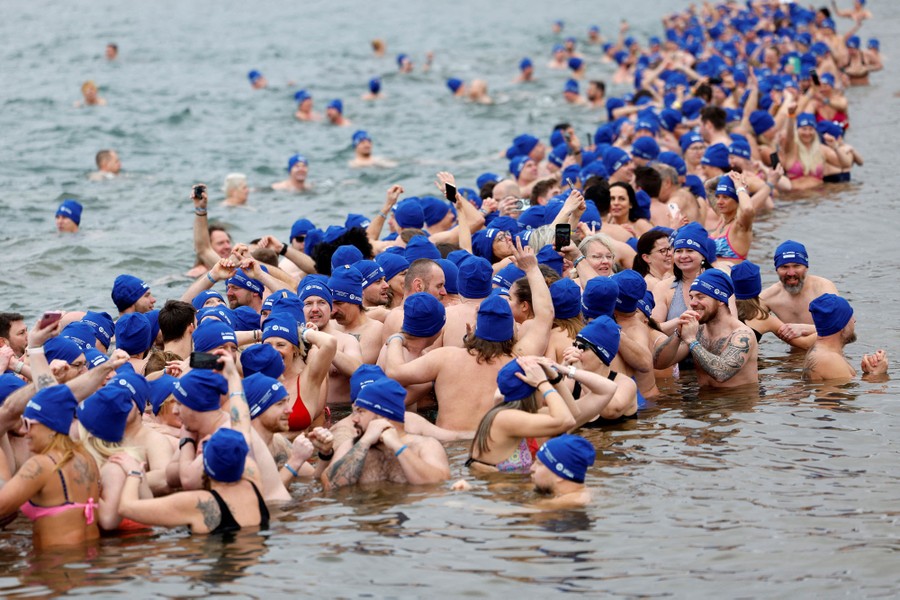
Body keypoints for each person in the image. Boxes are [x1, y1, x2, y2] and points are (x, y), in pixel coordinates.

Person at [384, 241, 553, 431]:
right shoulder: (519, 361)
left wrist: (395, 340)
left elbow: (394, 372)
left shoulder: (446, 358)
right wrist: (531, 269)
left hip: (451, 448)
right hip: (493, 445)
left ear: (473, 327)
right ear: (513, 329)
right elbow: (545, 316)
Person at [114, 426, 270, 534]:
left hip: (211, 574)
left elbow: (126, 507)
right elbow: (242, 425)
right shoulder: (254, 483)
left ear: (204, 463)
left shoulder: (197, 502)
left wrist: (134, 473)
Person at [323, 377, 450, 488]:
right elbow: (330, 485)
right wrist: (365, 441)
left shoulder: (425, 445)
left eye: (361, 412)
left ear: (383, 416)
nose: (354, 419)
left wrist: (397, 446)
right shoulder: (351, 446)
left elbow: (438, 485)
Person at [466, 357, 578, 474]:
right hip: (507, 489)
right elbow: (567, 421)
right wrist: (543, 383)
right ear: (534, 390)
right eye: (540, 388)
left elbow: (572, 413)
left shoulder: (518, 413)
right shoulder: (506, 418)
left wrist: (555, 378)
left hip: (513, 487)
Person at [653, 269, 758, 388]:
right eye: (691, 297)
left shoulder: (742, 335)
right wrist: (678, 333)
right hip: (704, 403)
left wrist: (692, 341)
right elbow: (658, 363)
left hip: (735, 403)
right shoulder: (698, 330)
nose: (692, 303)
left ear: (720, 300)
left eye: (700, 297)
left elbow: (721, 374)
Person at [262, 310, 336, 432]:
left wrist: (304, 333)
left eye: (281, 345)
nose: (274, 351)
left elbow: (330, 343)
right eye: (268, 345)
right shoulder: (254, 375)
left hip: (301, 449)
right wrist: (259, 333)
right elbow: (219, 344)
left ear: (295, 350)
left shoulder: (308, 379)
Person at [730, 260, 816, 349]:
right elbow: (805, 344)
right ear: (758, 287)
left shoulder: (720, 307)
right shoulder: (762, 317)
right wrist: (824, 328)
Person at [803, 294, 889, 382]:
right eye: (850, 317)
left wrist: (868, 372)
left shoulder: (823, 351)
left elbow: (843, 387)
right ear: (841, 324)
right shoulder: (829, 359)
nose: (854, 320)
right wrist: (877, 374)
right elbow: (846, 393)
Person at [760, 240, 839, 325]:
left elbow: (843, 328)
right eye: (784, 267)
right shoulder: (767, 298)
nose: (791, 273)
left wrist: (807, 329)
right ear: (777, 270)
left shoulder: (823, 290)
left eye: (796, 266)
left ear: (806, 267)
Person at [780, 110, 851, 191]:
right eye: (804, 129)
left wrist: (836, 147)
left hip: (817, 198)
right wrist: (791, 115)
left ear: (815, 131)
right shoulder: (791, 148)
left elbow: (846, 164)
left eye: (811, 129)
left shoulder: (822, 149)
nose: (807, 133)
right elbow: (789, 135)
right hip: (795, 198)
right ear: (797, 130)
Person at [329, 266, 383, 364]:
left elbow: (356, 369)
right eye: (330, 303)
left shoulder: (375, 330)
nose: (333, 311)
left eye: (339, 303)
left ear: (356, 300)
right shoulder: (330, 325)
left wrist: (324, 347)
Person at [530, 434, 596, 508]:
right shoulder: (585, 492)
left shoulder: (556, 504)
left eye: (539, 463)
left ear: (559, 474)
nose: (532, 468)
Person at [708, 173, 755, 265]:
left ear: (737, 200)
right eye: (718, 197)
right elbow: (708, 186)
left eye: (725, 197)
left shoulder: (740, 225)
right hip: (712, 277)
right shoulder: (722, 218)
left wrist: (740, 187)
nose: (719, 202)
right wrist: (726, 176)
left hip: (730, 277)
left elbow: (748, 209)